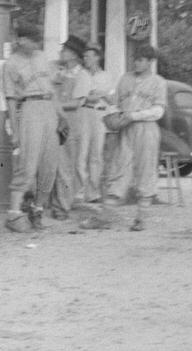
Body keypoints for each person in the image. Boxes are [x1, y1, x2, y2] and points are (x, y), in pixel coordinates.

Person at [2, 23, 63, 232]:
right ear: (20, 39)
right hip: (29, 107)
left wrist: (61, 115)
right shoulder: (11, 63)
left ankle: (37, 211)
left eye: (36, 40)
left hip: (49, 108)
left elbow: (52, 89)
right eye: (30, 40)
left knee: (49, 165)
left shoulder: (41, 57)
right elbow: (10, 99)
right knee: (28, 164)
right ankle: (13, 212)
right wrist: (15, 131)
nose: (34, 44)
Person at [105, 43, 168, 230]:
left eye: (141, 60)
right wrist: (113, 116)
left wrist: (134, 115)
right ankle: (106, 215)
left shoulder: (158, 82)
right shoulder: (125, 78)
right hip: (126, 128)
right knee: (119, 167)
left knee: (145, 169)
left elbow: (158, 111)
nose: (136, 63)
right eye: (135, 59)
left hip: (146, 128)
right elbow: (115, 104)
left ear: (150, 62)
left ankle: (142, 218)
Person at [50, 34, 92, 219]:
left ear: (74, 55)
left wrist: (54, 104)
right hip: (52, 121)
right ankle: (49, 202)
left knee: (66, 166)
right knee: (50, 163)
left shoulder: (82, 76)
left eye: (65, 50)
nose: (61, 53)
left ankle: (63, 205)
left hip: (70, 123)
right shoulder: (58, 72)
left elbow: (76, 103)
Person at [79, 44, 118, 203]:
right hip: (84, 112)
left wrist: (99, 94)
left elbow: (112, 98)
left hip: (100, 113)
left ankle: (93, 192)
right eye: (85, 56)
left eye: (89, 56)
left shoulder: (107, 76)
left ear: (97, 57)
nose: (86, 59)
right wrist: (91, 95)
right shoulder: (81, 75)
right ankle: (81, 191)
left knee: (96, 154)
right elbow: (81, 96)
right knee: (82, 153)